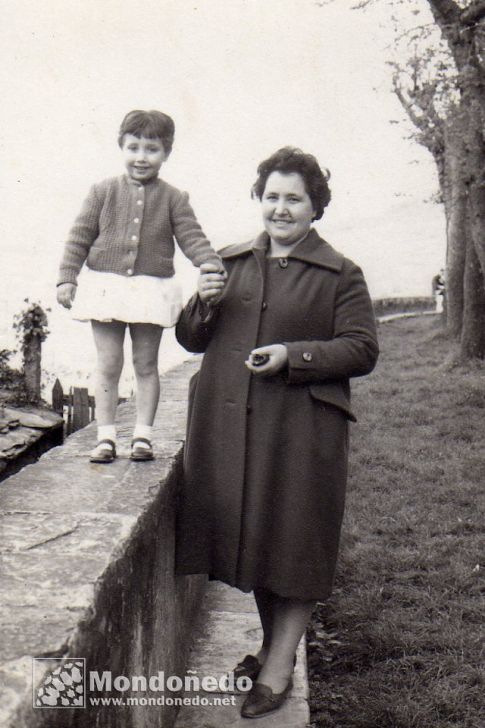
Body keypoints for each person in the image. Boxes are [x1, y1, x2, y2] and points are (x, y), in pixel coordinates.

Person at [175, 147, 379, 718]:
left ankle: (281, 666)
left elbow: (363, 349)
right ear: (258, 200)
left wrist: (295, 354)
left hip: (301, 432)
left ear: (316, 208)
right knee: (260, 540)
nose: (281, 209)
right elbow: (191, 339)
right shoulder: (230, 261)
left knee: (296, 541)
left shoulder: (341, 273)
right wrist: (202, 302)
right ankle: (272, 648)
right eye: (272, 197)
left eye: (294, 199)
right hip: (231, 430)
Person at [56, 109, 224, 463]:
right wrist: (67, 278)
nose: (141, 157)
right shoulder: (102, 191)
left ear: (166, 153)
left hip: (150, 289)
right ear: (121, 147)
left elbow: (192, 237)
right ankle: (105, 437)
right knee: (108, 363)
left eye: (151, 149)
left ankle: (143, 436)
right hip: (105, 287)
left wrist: (209, 263)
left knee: (146, 363)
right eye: (133, 147)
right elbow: (79, 237)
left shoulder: (174, 198)